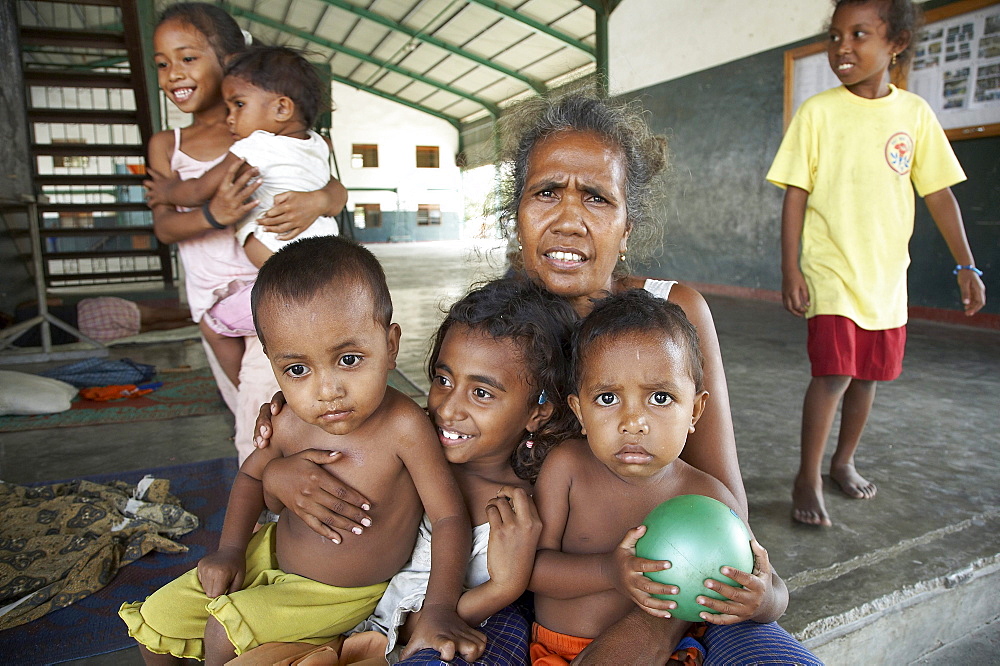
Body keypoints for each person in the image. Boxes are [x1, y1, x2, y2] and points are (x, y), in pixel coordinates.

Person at [253, 89, 818, 664]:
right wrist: (283, 459)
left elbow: (727, 520)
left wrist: (658, 614)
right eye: (546, 192)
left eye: (597, 198)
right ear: (516, 214)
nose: (568, 219)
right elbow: (420, 446)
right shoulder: (497, 327)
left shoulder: (671, 314)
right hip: (520, 588)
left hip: (673, 584)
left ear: (627, 226)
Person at [119, 236, 482, 664]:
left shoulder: (405, 428)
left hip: (337, 593)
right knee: (156, 619)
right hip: (265, 555)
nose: (327, 391)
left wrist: (439, 606)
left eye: (348, 359)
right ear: (272, 364)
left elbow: (449, 516)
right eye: (297, 369)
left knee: (223, 630)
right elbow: (254, 476)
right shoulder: (288, 420)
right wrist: (231, 550)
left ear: (390, 345)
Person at [237, 277, 580, 664]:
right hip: (315, 610)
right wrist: (278, 463)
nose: (448, 409)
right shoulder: (400, 441)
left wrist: (504, 588)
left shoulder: (513, 517)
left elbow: (414, 622)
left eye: (481, 393)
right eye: (443, 379)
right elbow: (281, 490)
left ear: (539, 411)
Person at [766, 0, 986, 527]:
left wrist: (966, 266)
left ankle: (843, 461)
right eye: (836, 35)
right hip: (831, 271)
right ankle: (808, 475)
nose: (843, 47)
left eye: (859, 34)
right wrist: (791, 268)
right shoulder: (818, 112)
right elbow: (795, 193)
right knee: (835, 372)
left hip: (886, 277)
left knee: (868, 378)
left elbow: (938, 195)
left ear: (896, 44)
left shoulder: (913, 115)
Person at [530, 290, 787, 665]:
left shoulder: (707, 496)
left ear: (696, 410)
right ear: (579, 410)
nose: (633, 422)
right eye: (606, 399)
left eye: (661, 398)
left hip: (673, 654)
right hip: (556, 653)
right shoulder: (567, 469)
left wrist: (762, 600)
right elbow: (530, 568)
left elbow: (774, 584)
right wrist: (609, 571)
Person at [146, 2, 347, 463]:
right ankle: (285, 487)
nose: (174, 72)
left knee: (265, 407)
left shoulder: (264, 136)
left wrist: (318, 200)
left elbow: (335, 190)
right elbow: (164, 226)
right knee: (252, 404)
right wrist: (214, 214)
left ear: (230, 61)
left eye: (188, 57)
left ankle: (273, 502)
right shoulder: (166, 145)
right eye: (162, 64)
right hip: (212, 299)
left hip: (270, 292)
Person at [159, 44, 341, 388]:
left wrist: (167, 190)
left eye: (238, 105)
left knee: (212, 326)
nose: (231, 117)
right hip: (327, 261)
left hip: (285, 279)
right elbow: (337, 192)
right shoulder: (317, 145)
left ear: (281, 108)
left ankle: (244, 389)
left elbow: (199, 189)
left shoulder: (255, 145)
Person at [7, 297, 192, 346]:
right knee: (154, 315)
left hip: (87, 335)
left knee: (152, 327)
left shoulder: (15, 342)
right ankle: (197, 313)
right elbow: (56, 301)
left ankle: (195, 324)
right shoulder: (22, 310)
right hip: (89, 313)